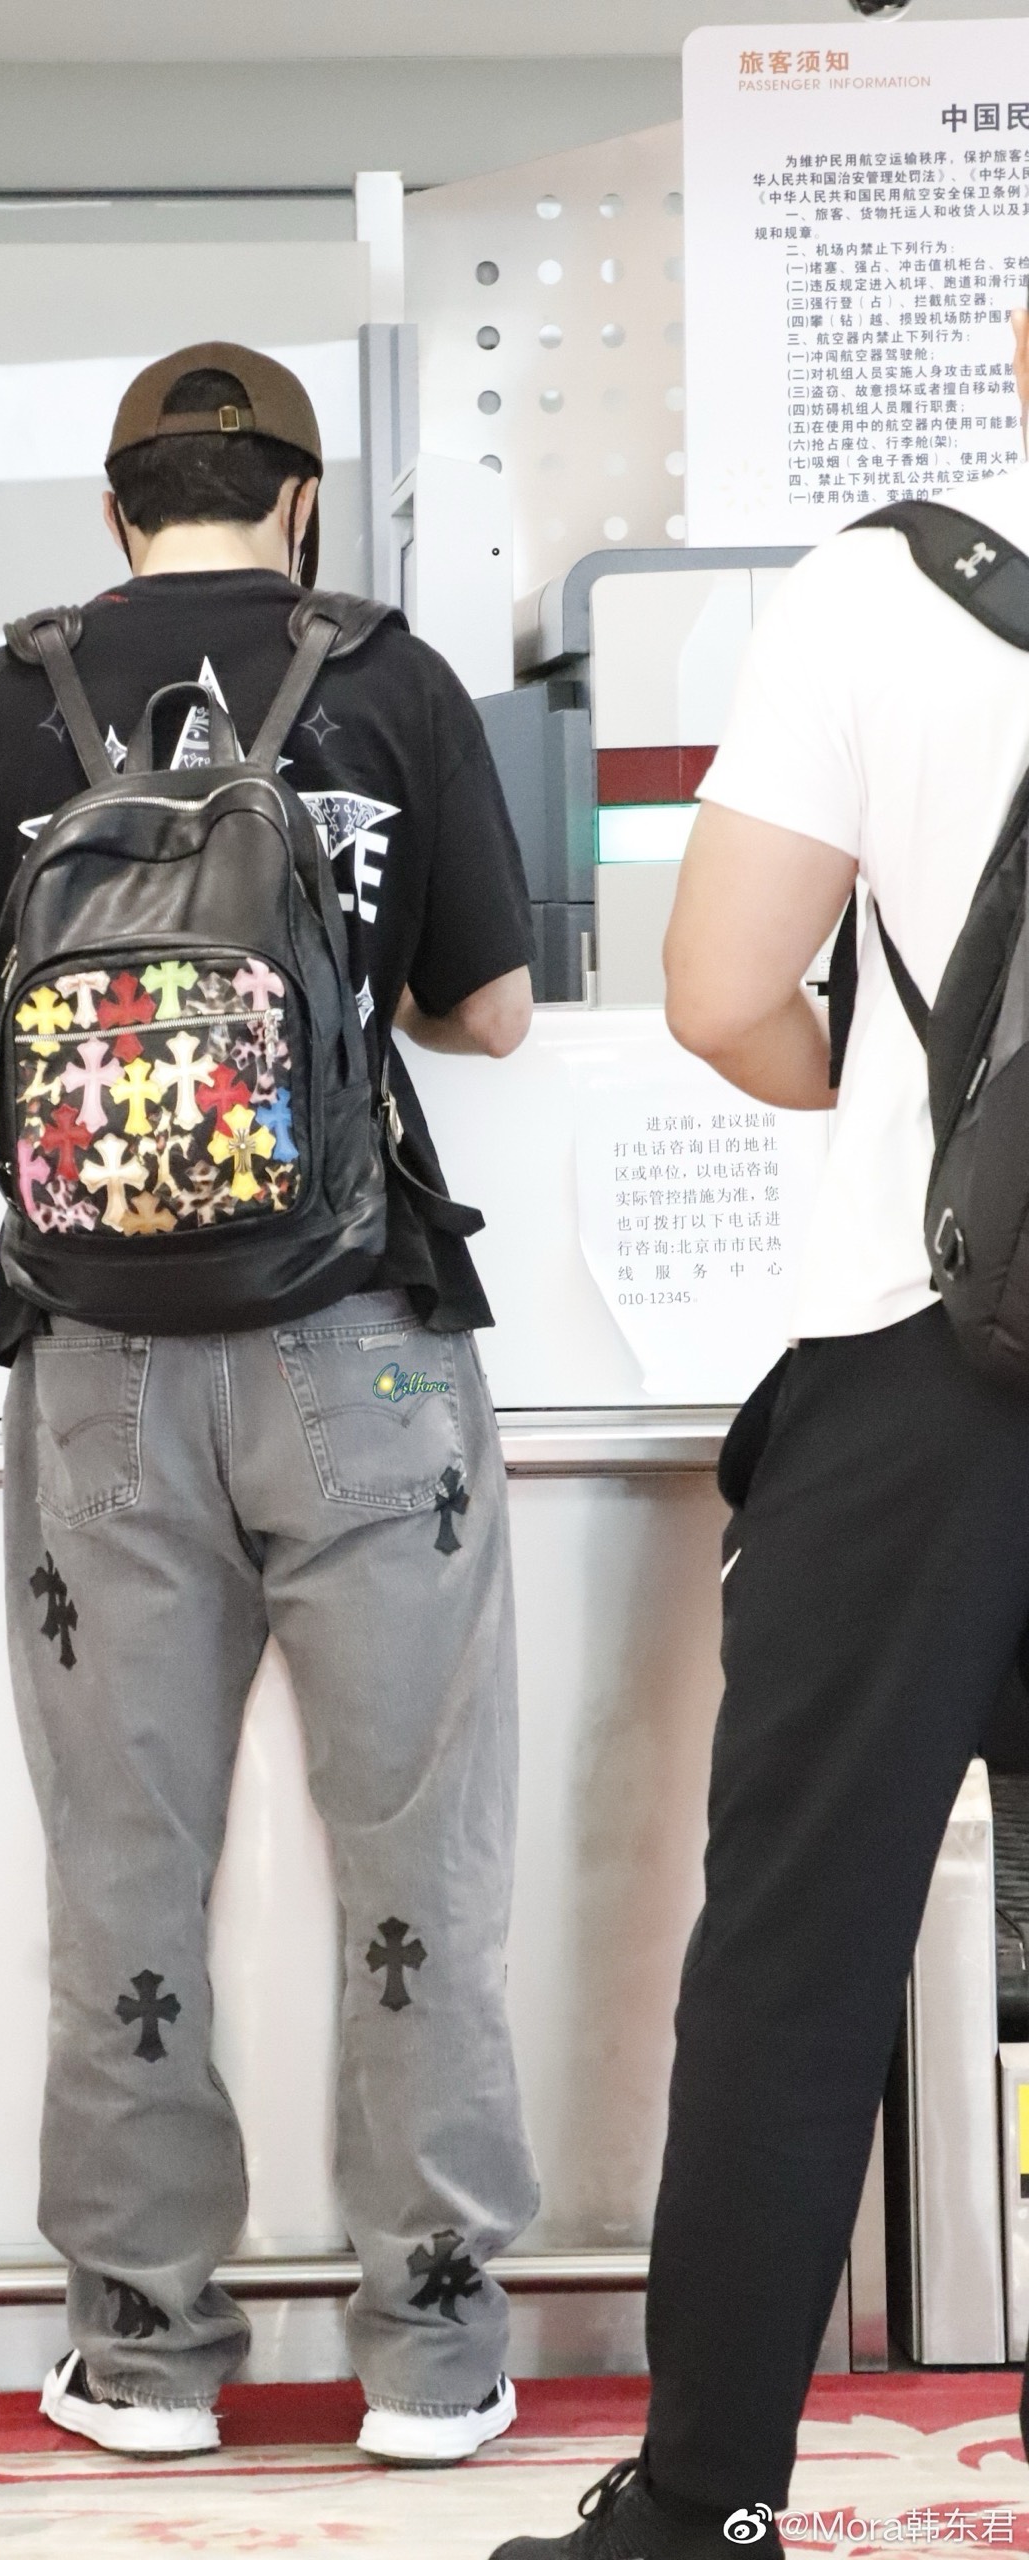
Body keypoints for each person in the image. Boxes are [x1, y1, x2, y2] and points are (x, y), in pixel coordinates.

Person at [0, 342, 540, 2467]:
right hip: (365, 1347)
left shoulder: (12, 698)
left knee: (126, 1871)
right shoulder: (394, 677)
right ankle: (433, 2353)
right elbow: (496, 1013)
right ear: (303, 501)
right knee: (419, 1856)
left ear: (116, 509)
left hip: (97, 1367)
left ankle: (148, 2351)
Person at [489, 307, 1029, 2560]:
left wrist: (916, 1114)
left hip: (923, 1353)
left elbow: (719, 987)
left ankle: (703, 2502)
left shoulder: (886, 587)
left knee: (803, 1939)